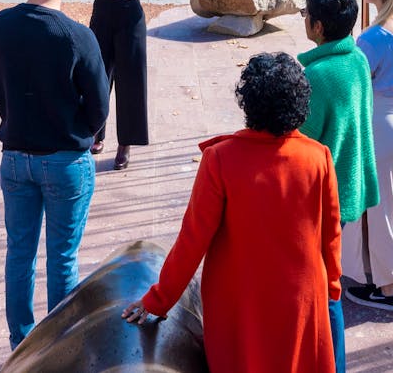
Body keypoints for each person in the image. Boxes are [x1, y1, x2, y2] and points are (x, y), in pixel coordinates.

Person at [122, 52, 342, 373]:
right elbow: (331, 235)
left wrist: (158, 299)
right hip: (301, 299)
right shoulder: (318, 156)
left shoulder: (221, 159)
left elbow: (192, 241)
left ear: (248, 102)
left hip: (240, 303)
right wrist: (332, 287)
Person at [0, 0, 109, 350]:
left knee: (19, 254)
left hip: (15, 155)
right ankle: (59, 347)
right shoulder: (77, 36)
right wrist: (81, 131)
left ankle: (21, 344)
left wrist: (13, 112)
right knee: (62, 257)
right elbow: (99, 107)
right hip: (65, 159)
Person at [70, 0, 190, 170]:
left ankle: (126, 143)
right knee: (96, 77)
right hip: (101, 15)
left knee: (131, 81)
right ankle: (95, 134)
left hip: (130, 18)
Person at [298, 0, 379, 373]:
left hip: (319, 196)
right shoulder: (357, 59)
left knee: (325, 289)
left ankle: (334, 364)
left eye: (304, 15)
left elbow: (299, 141)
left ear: (316, 25)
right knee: (326, 280)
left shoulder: (317, 75)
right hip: (347, 186)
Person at [344, 0, 393, 310]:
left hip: (379, 121)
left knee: (379, 207)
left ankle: (387, 289)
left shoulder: (374, 37)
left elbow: (354, 83)